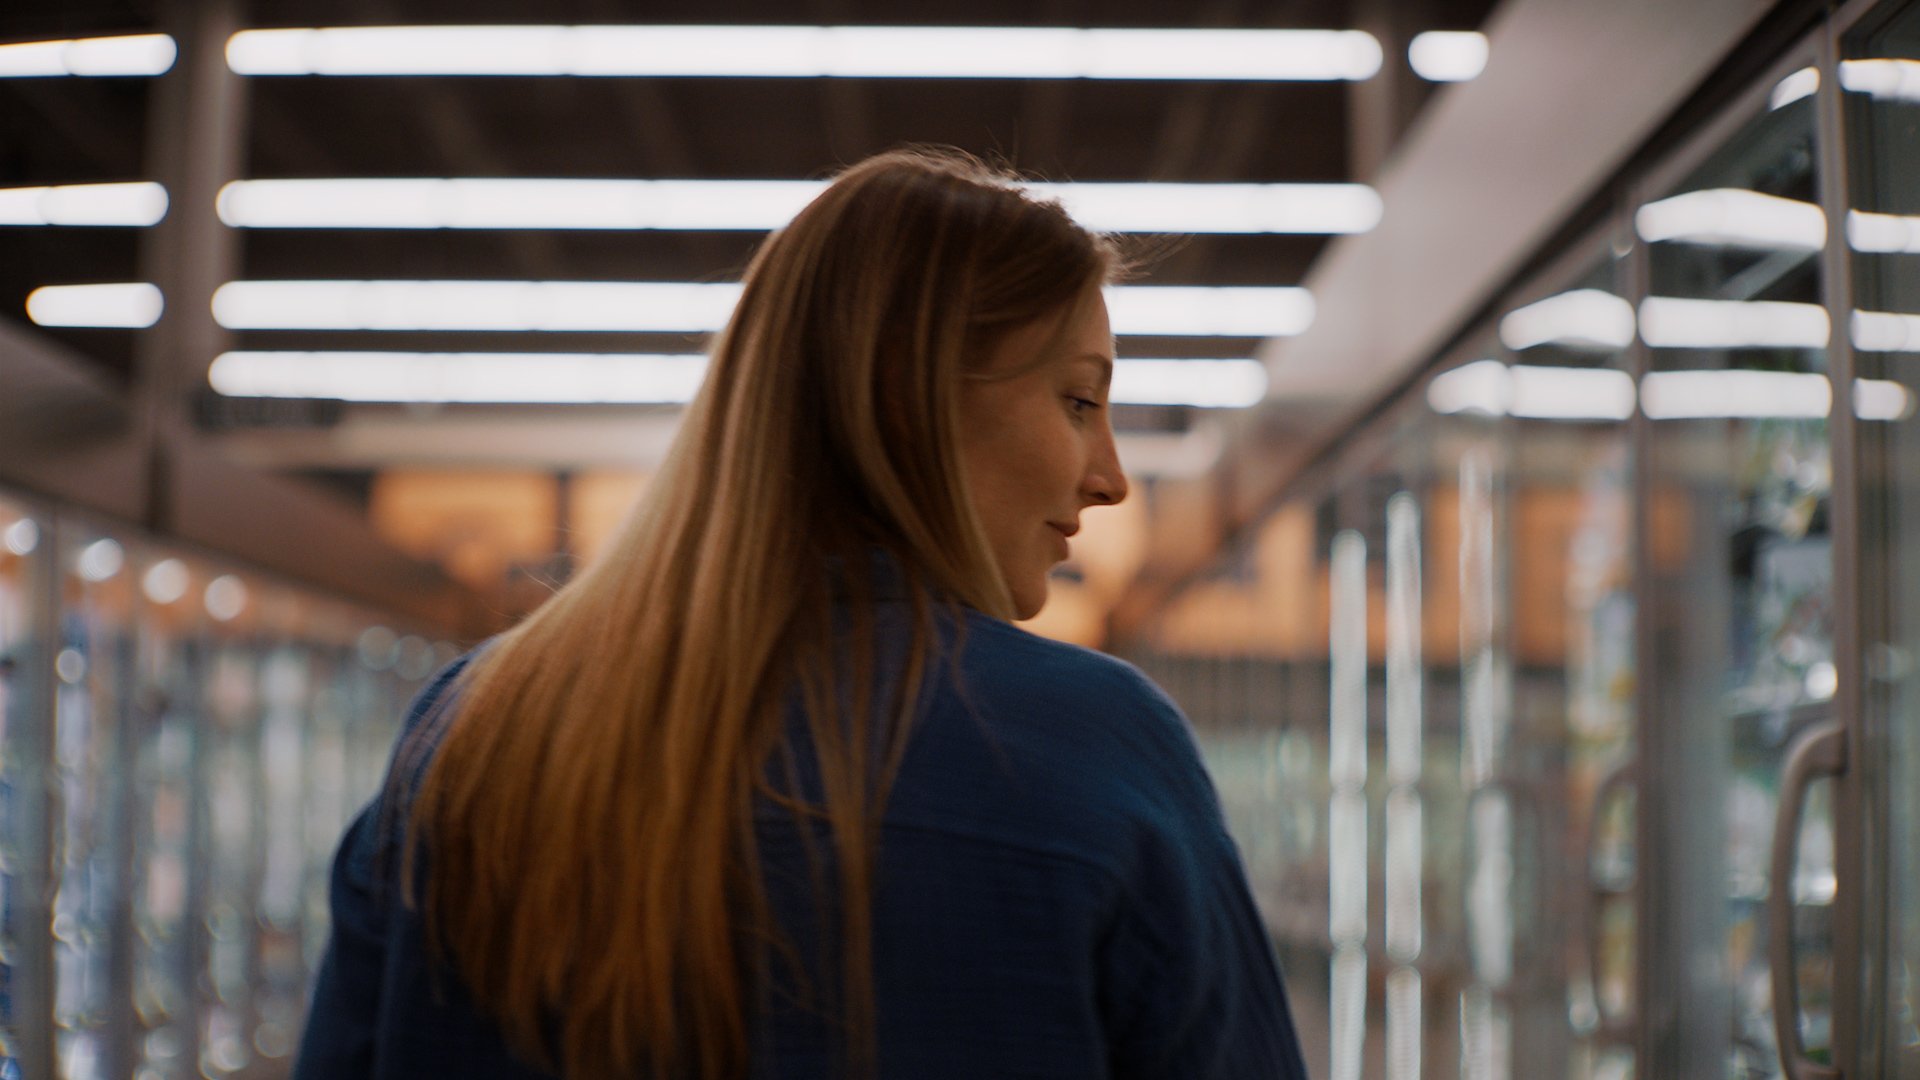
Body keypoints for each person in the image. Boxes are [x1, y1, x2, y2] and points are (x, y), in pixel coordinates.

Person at [294, 147, 1309, 1080]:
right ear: (911, 401)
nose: (1112, 479)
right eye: (1080, 402)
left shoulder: (470, 729)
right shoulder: (1093, 747)